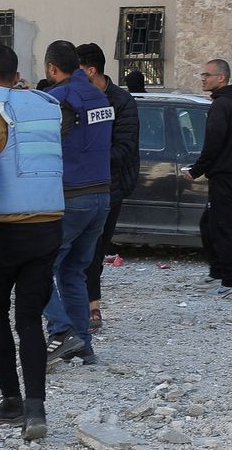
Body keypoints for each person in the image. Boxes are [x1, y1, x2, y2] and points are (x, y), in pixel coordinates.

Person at [0, 44, 64, 441]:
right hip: (49, 225)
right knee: (30, 319)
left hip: (4, 230)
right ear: (16, 72)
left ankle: (11, 401)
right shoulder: (44, 104)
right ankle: (36, 408)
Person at [41, 41, 113, 365]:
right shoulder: (101, 95)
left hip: (73, 196)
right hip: (102, 196)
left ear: (52, 69)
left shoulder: (58, 99)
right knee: (74, 271)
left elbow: (49, 144)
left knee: (38, 267)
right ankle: (83, 344)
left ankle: (61, 330)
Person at [76, 43, 140, 330]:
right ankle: (77, 304)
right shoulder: (75, 98)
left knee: (95, 247)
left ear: (91, 71)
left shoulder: (122, 101)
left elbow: (124, 149)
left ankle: (92, 306)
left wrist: (85, 156)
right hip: (79, 185)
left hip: (109, 187)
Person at [186, 59, 232, 298]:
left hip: (227, 176)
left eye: (207, 74)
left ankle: (231, 282)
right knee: (209, 223)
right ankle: (217, 272)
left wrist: (195, 171)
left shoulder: (223, 105)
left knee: (222, 228)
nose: (203, 78)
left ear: (221, 78)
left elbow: (213, 144)